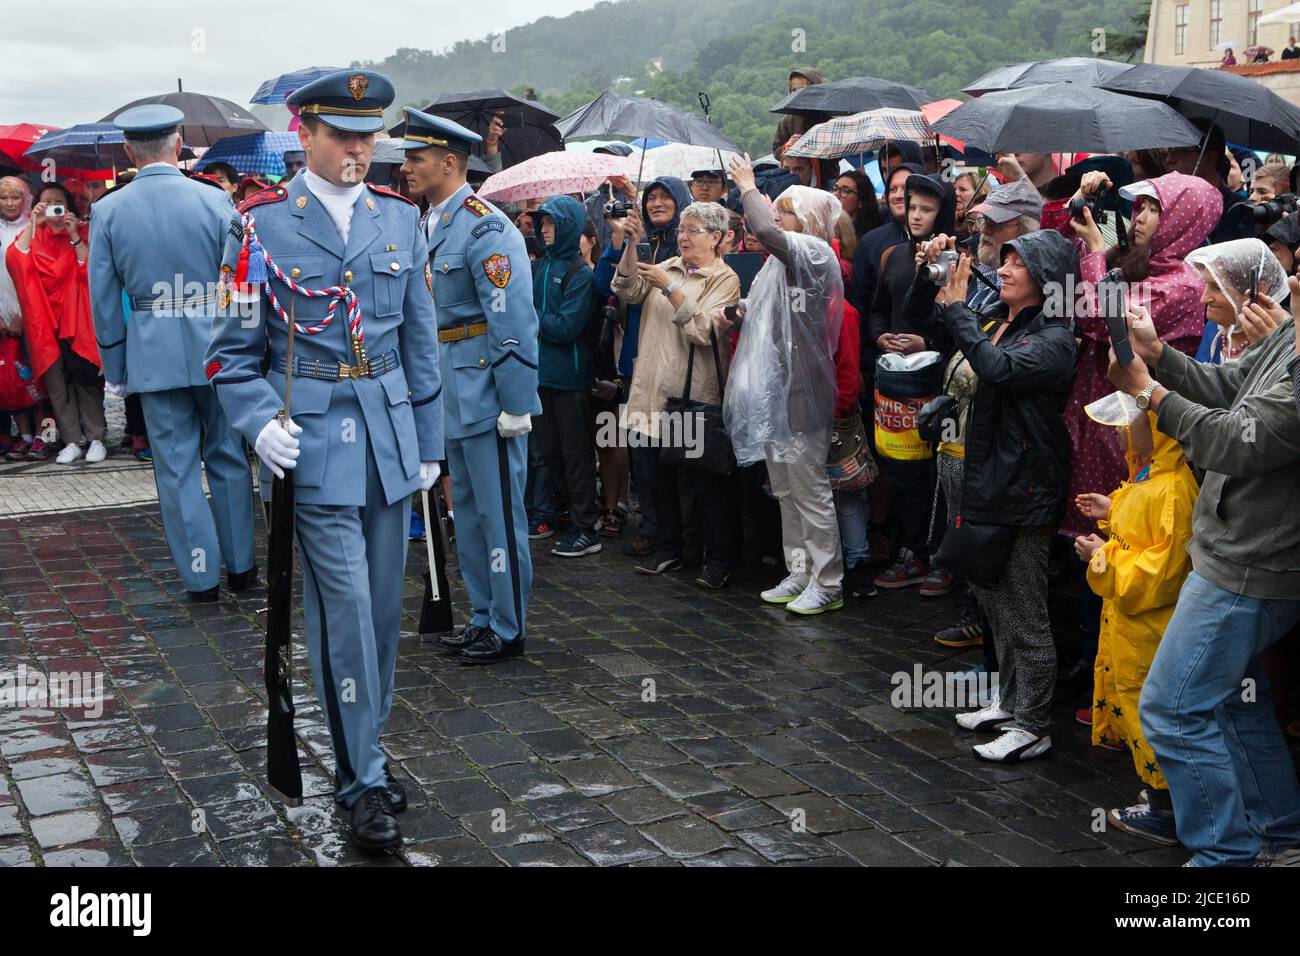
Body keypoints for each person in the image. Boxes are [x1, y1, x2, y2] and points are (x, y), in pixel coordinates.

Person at [207, 71, 444, 852]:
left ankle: (358, 748)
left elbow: (418, 344)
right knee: (342, 609)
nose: (359, 147)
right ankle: (364, 778)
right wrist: (254, 423)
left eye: (369, 133)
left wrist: (432, 445)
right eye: (343, 133)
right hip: (308, 441)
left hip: (388, 439)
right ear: (302, 133)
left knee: (379, 614)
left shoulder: (402, 222)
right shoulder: (259, 228)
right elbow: (231, 356)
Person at [1105, 269, 1300, 867]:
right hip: (1234, 555)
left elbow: (1237, 442)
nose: (1291, 277)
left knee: (1172, 707)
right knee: (1235, 701)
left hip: (1249, 567)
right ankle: (1281, 836)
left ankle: (1223, 859)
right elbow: (1227, 387)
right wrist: (1157, 354)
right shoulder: (1289, 342)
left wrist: (1149, 393)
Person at [89, 104, 257, 601]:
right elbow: (242, 280)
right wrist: (246, 348)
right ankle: (243, 566)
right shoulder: (214, 200)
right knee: (228, 455)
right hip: (218, 347)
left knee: (177, 468)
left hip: (151, 349)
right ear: (179, 144)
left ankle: (201, 578)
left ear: (128, 151)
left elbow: (102, 298)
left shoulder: (108, 209)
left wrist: (114, 363)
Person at [396, 106, 536, 664]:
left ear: (450, 162)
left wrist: (517, 400)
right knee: (469, 514)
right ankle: (483, 614)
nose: (407, 166)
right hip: (447, 387)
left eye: (417, 157)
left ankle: (509, 624)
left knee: (500, 512)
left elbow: (510, 318)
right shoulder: (427, 221)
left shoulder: (485, 225)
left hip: (484, 385)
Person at [939, 230, 1078, 763]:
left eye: (1019, 265)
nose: (1006, 269)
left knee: (1024, 611)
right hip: (993, 481)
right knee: (994, 599)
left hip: (1025, 489)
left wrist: (958, 313)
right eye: (1008, 260)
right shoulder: (1004, 320)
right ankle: (1008, 700)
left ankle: (1033, 724)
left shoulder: (1055, 338)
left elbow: (996, 369)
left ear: (1045, 282)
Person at [1060, 171, 1221, 540]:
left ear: (1186, 219)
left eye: (1155, 210)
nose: (1140, 218)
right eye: (1140, 207)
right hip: (1097, 408)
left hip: (1133, 424)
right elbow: (1059, 262)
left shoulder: (1183, 283)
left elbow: (1099, 318)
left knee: (1114, 534)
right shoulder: (1138, 263)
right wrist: (1078, 203)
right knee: (1082, 529)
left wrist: (1097, 253)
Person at [1072, 395, 1198, 847]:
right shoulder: (1149, 476)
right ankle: (1160, 799)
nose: (1122, 430)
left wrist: (1102, 557)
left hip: (1150, 628)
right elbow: (1141, 534)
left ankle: (1167, 811)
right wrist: (1112, 511)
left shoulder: (1173, 488)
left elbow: (1159, 574)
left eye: (1132, 423)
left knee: (1151, 712)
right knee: (1138, 704)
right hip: (1129, 627)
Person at [726, 156, 846, 614]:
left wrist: (747, 186)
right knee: (785, 489)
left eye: (787, 209)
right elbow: (766, 312)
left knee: (809, 488)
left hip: (802, 393)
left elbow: (767, 232)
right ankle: (801, 570)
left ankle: (828, 580)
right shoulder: (778, 266)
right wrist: (738, 313)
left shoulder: (814, 252)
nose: (777, 216)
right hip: (775, 392)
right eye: (776, 208)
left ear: (811, 220)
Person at [611, 200, 740, 586]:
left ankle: (717, 559)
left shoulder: (725, 278)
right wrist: (632, 244)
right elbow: (625, 287)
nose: (683, 236)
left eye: (694, 230)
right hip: (651, 391)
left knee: (706, 486)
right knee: (656, 478)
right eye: (682, 230)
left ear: (717, 238)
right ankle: (668, 549)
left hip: (692, 396)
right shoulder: (666, 265)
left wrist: (670, 288)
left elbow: (705, 331)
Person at [595, 174, 691, 559]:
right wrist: (621, 240)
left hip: (680, 365)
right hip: (637, 359)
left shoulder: (689, 244)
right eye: (651, 197)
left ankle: (683, 532)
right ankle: (652, 527)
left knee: (682, 452)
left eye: (666, 197)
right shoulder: (638, 238)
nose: (657, 203)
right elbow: (606, 284)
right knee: (644, 455)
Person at [870, 172, 956, 596]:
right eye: (912, 206)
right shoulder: (893, 256)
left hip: (939, 382)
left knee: (936, 472)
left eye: (927, 208)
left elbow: (966, 324)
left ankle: (936, 553)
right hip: (897, 381)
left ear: (945, 213)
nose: (916, 215)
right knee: (898, 467)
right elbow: (877, 310)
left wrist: (930, 341)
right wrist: (881, 335)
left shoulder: (956, 259)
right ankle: (911, 548)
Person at [6, 181, 105, 465]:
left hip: (78, 319)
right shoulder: (33, 237)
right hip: (44, 323)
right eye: (45, 202)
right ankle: (73, 440)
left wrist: (74, 235)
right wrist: (33, 223)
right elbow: (16, 261)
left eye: (57, 202)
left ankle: (96, 437)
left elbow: (90, 272)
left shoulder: (82, 233)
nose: (52, 207)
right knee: (57, 385)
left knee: (86, 381)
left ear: (69, 207)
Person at [530, 195, 602, 558]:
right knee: (550, 454)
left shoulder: (580, 274)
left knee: (576, 456)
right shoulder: (539, 268)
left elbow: (566, 328)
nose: (543, 229)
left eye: (551, 223)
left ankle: (586, 526)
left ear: (569, 227)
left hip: (570, 379)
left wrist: (529, 316)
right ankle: (568, 516)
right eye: (541, 223)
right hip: (540, 378)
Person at [0, 176, 45, 462]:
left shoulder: (35, 227)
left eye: (15, 197)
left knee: (39, 379)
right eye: (3, 198)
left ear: (25, 199)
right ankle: (24, 436)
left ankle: (44, 436)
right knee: (12, 380)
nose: (9, 203)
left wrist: (23, 315)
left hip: (33, 315)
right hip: (3, 317)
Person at [1188, 238, 1289, 365]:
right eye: (1205, 284)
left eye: (1218, 287)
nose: (1203, 299)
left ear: (1258, 289)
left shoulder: (1286, 341)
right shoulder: (1215, 329)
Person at [772, 68, 824, 161]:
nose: (797, 93)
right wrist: (788, 145)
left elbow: (837, 156)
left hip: (826, 174)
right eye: (794, 90)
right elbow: (776, 151)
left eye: (802, 89)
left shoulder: (825, 118)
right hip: (795, 173)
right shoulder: (787, 121)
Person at [833, 170, 882, 239]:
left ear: (861, 201)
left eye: (845, 191)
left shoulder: (870, 238)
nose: (835, 195)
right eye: (835, 189)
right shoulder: (826, 229)